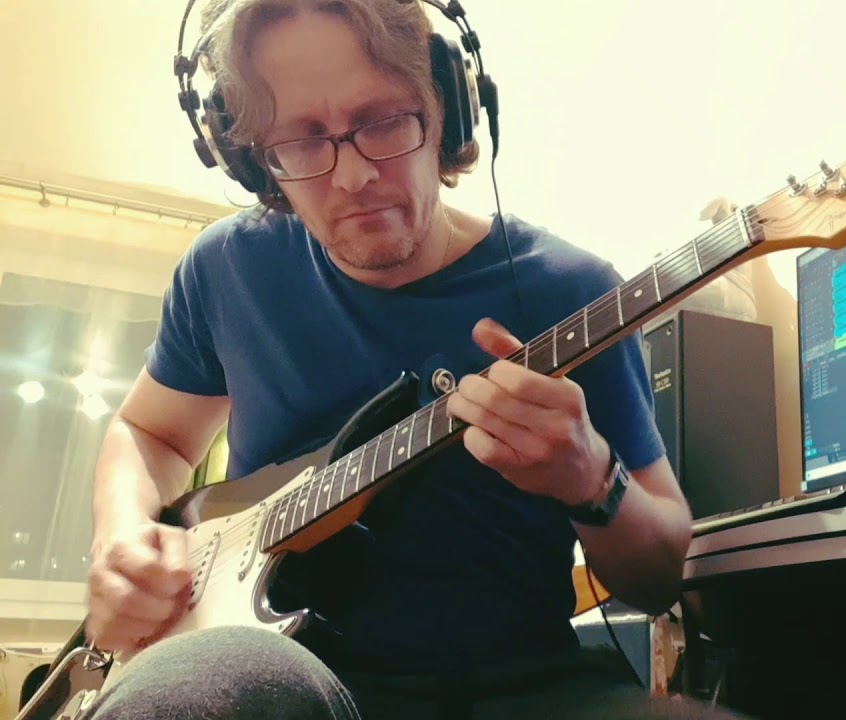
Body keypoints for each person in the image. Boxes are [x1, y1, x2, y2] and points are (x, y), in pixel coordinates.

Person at [81, 1, 747, 718]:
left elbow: (657, 579)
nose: (352, 177)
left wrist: (592, 480)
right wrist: (120, 534)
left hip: (525, 686)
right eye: (302, 141)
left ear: (447, 113)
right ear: (253, 161)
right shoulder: (226, 270)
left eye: (382, 122)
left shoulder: (570, 290)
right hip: (284, 678)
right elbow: (148, 433)